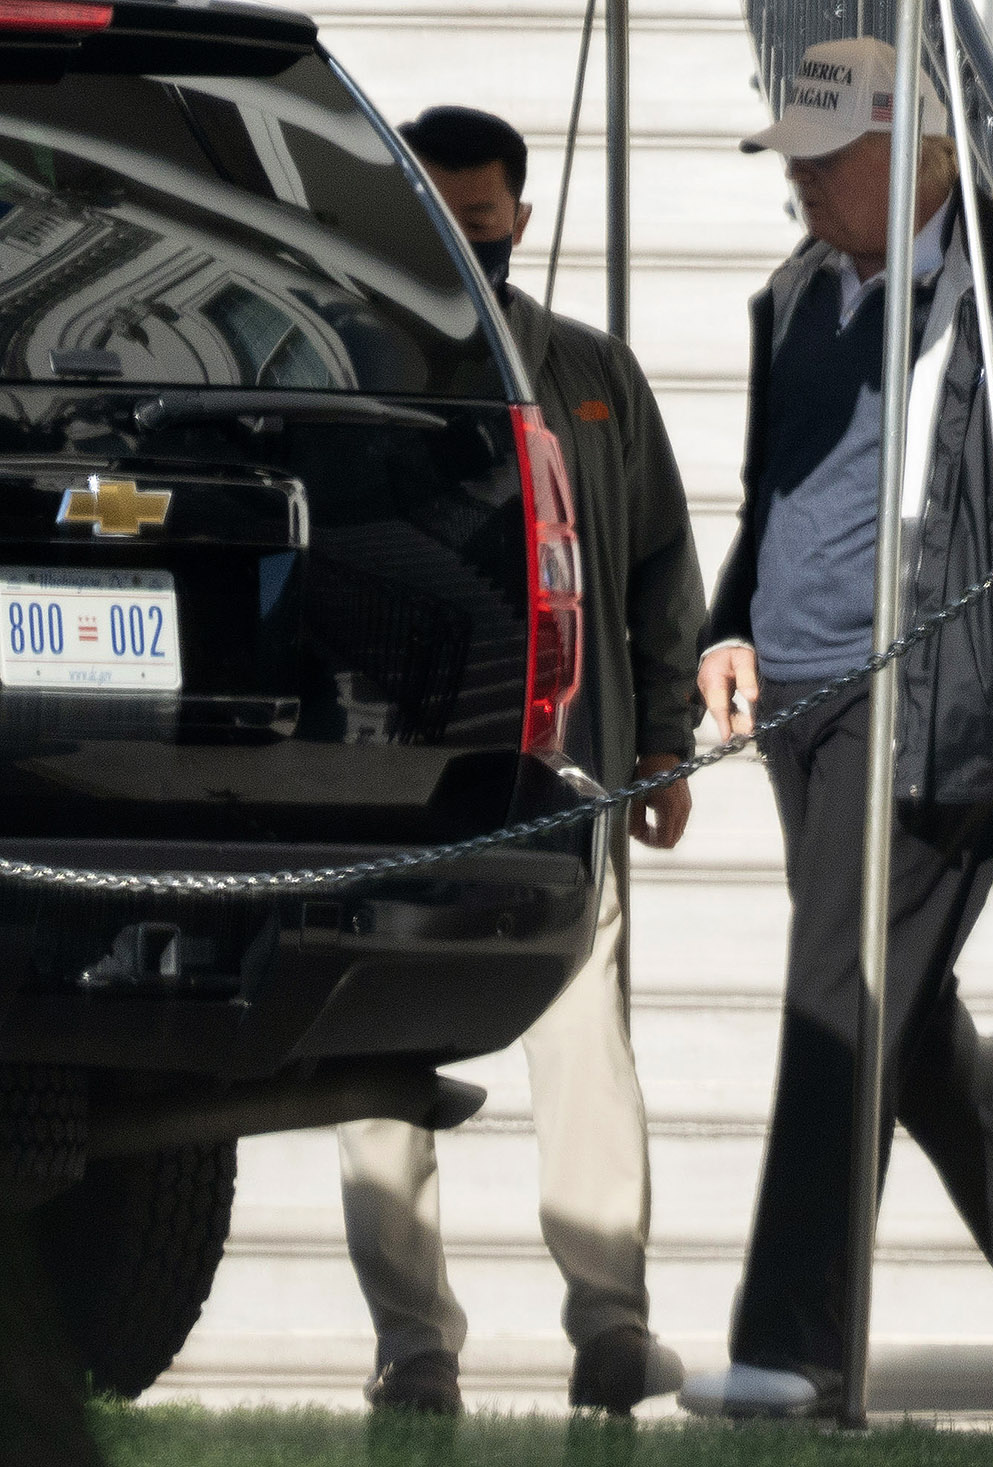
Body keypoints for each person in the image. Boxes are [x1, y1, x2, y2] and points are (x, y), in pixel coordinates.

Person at [678, 38, 993, 1422]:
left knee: (837, 1002)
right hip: (803, 709)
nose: (798, 184)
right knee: (900, 1015)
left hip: (938, 703)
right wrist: (726, 633)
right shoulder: (792, 301)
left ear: (912, 155)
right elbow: (768, 508)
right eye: (789, 159)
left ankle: (796, 1349)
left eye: (823, 159)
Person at [334, 105, 708, 1417]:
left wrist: (666, 738)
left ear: (521, 224)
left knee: (585, 1046)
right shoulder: (345, 369)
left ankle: (612, 1325)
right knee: (374, 1065)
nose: (459, 250)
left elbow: (663, 562)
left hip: (568, 779)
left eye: (480, 229)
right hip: (386, 783)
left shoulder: (597, 377)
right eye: (434, 225)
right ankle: (412, 1344)